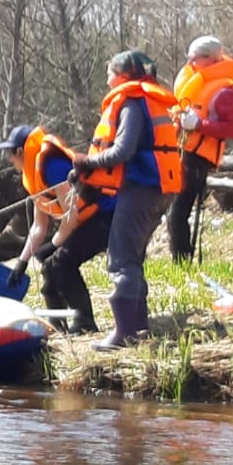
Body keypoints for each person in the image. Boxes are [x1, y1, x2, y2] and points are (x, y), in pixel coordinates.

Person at [72, 50, 182, 350]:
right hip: (162, 188)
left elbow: (122, 152)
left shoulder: (131, 103)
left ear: (122, 76)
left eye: (109, 73)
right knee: (133, 259)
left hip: (143, 187)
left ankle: (124, 335)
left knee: (121, 259)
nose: (106, 79)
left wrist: (85, 162)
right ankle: (139, 329)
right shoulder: (148, 99)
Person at [0, 124, 115, 334]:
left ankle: (85, 323)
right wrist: (22, 262)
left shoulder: (52, 167)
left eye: (9, 153)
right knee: (49, 267)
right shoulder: (32, 174)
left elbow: (71, 214)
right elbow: (39, 226)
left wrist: (54, 244)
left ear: (20, 151)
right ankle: (56, 323)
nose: (8, 159)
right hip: (84, 220)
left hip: (105, 216)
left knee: (61, 263)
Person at [168, 35, 233, 263]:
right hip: (181, 153)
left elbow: (232, 128)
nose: (190, 64)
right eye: (189, 59)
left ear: (211, 60)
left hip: (198, 159)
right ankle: (181, 261)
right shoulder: (197, 82)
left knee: (178, 212)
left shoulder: (224, 91)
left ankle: (182, 264)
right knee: (174, 212)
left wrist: (198, 125)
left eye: (195, 59)